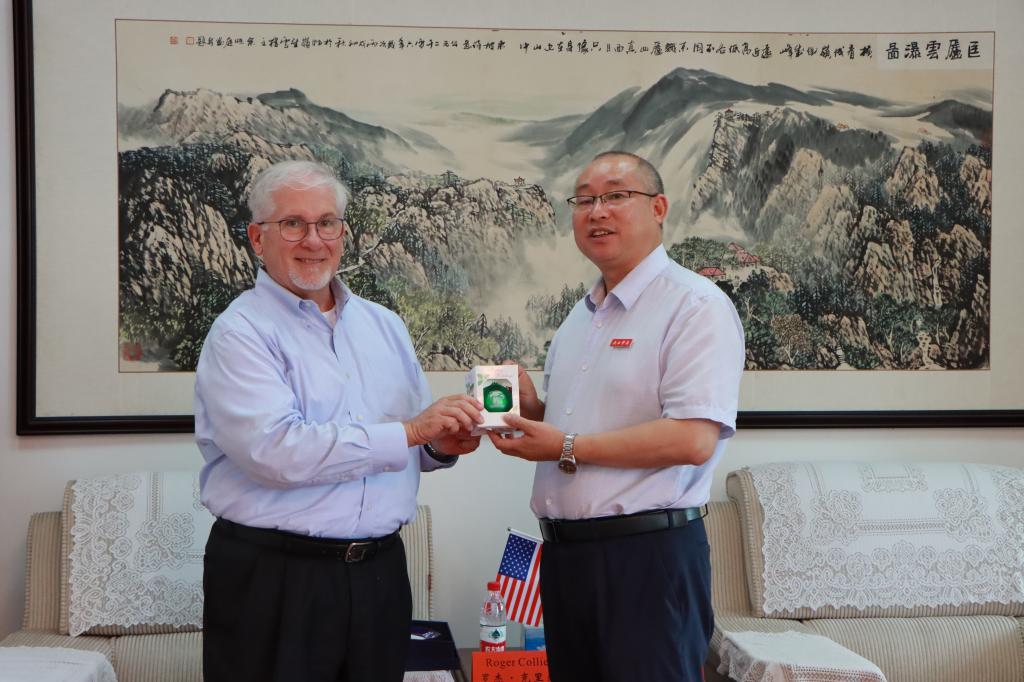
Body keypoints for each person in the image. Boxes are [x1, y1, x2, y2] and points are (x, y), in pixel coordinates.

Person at [194, 160, 483, 682]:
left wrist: (441, 445)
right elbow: (276, 452)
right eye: (293, 223)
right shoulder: (239, 332)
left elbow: (412, 443)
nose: (314, 240)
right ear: (257, 238)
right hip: (275, 578)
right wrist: (413, 432)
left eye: (327, 222)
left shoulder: (384, 325)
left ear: (343, 234)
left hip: (379, 575)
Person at [490, 151, 745, 681]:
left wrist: (563, 446)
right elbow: (587, 422)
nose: (597, 211)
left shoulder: (694, 305)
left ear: (658, 208)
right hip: (567, 559)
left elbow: (693, 439)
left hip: (646, 557)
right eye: (584, 200)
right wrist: (534, 410)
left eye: (615, 195)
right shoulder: (580, 317)